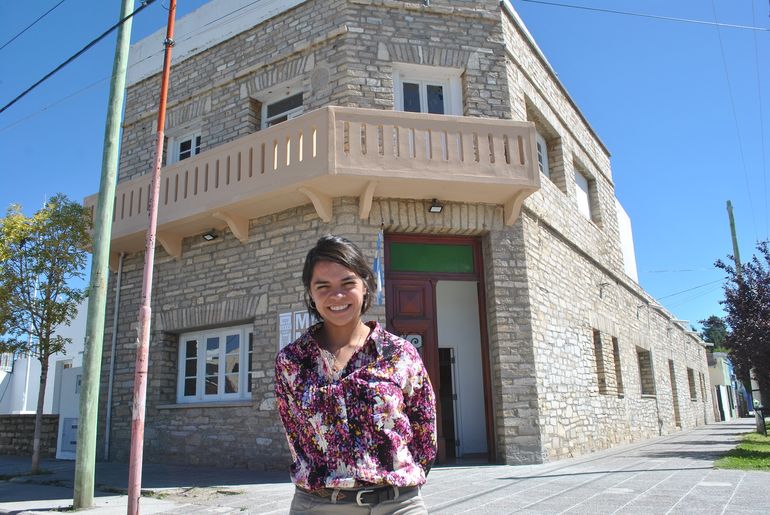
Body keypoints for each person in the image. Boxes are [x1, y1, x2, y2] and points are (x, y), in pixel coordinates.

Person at [275, 234, 437, 514]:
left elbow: (425, 429)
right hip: (319, 505)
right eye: (323, 286)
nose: (336, 295)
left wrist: (400, 483)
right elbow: (295, 436)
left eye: (347, 283)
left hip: (397, 504)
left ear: (366, 284)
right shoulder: (292, 361)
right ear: (310, 293)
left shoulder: (399, 354)